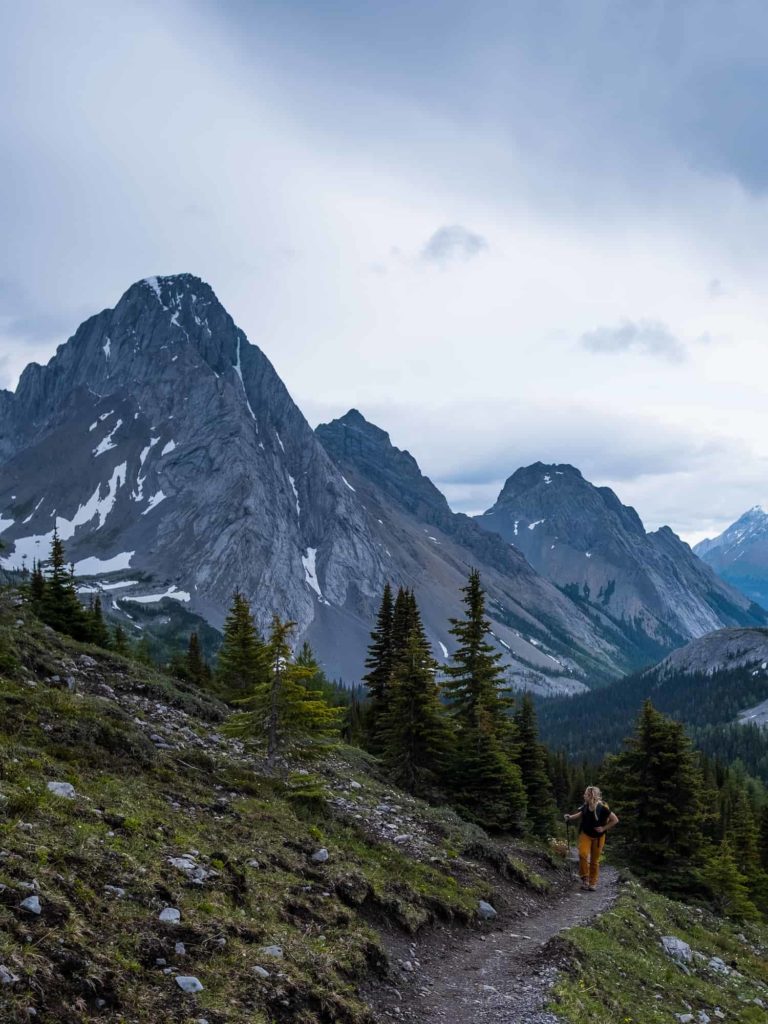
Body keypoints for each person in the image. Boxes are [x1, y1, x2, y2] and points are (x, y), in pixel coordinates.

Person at [564, 785, 618, 891]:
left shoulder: (602, 808)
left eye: (585, 794)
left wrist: (603, 828)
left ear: (590, 796)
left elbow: (615, 820)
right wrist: (570, 817)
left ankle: (593, 883)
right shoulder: (586, 805)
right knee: (582, 854)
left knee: (594, 860)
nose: (583, 796)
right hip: (586, 834)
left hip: (599, 837)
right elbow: (580, 814)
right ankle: (585, 879)